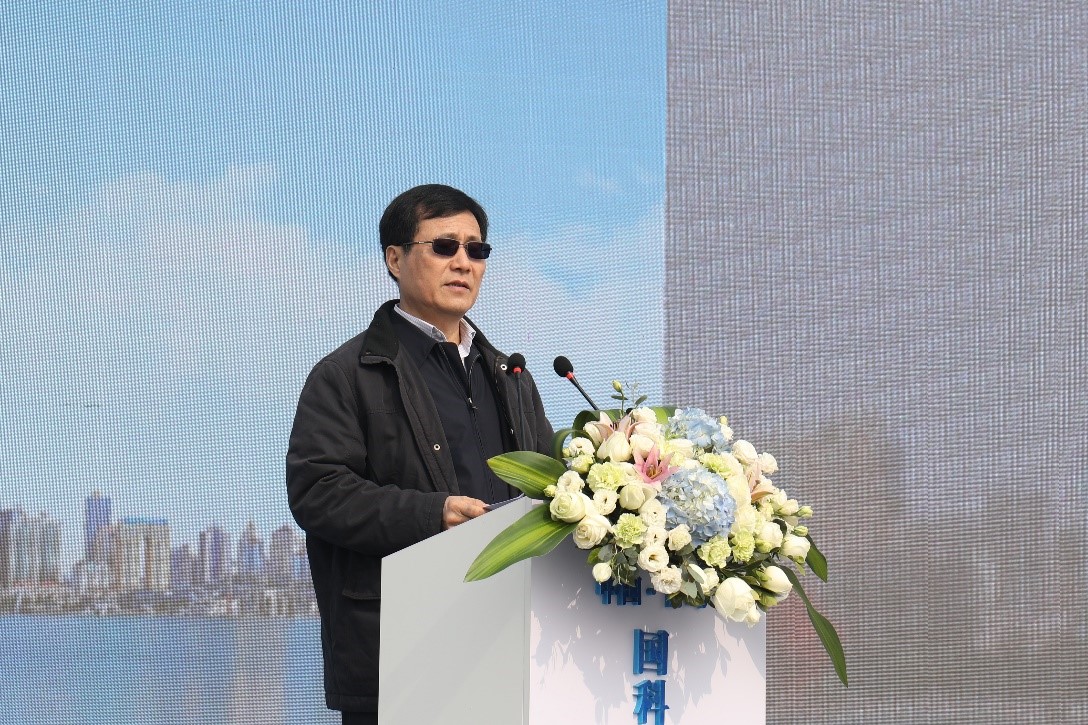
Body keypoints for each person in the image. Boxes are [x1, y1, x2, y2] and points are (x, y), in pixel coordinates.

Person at [285, 184, 553, 725]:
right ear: (395, 259)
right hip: (402, 655)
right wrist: (433, 514)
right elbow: (318, 491)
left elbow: (550, 487)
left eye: (476, 250)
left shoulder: (511, 375)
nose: (464, 263)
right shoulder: (347, 375)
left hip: (510, 646)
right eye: (444, 247)